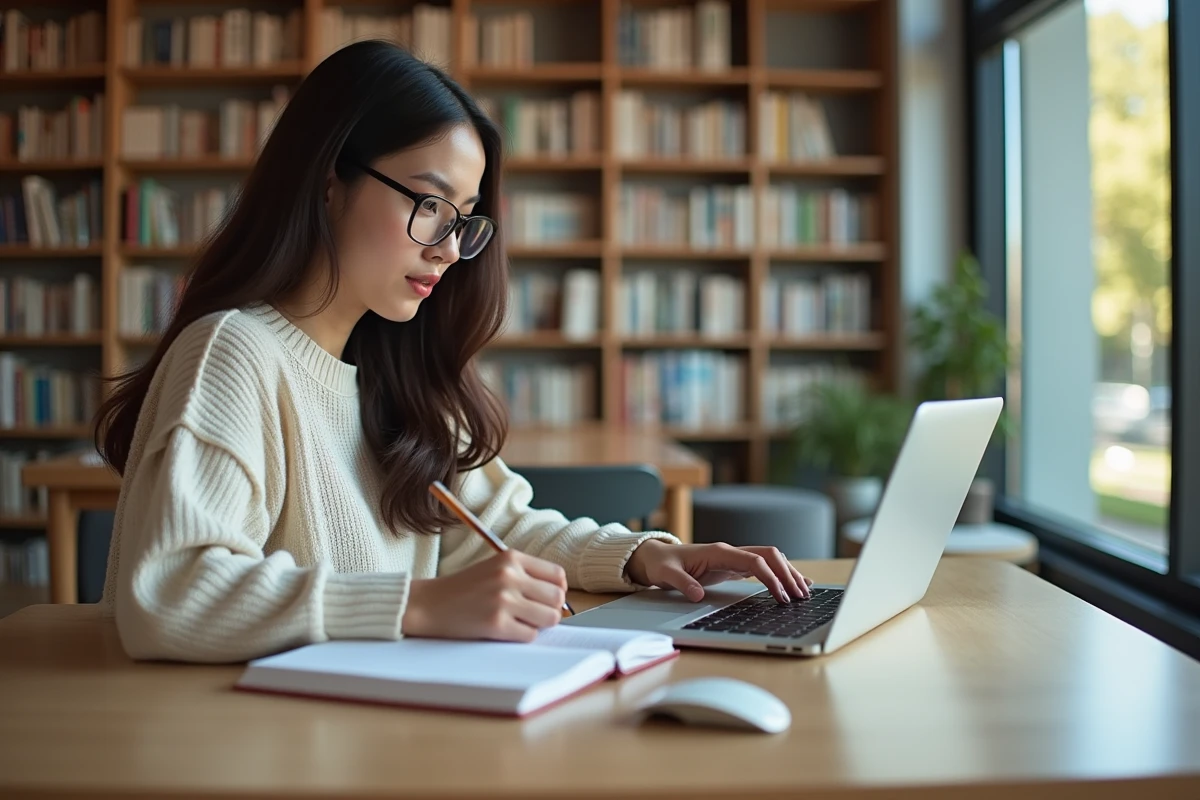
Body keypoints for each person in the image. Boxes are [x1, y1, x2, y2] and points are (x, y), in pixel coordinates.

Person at [95, 40, 812, 664]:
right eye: (428, 203)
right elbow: (171, 593)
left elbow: (497, 529)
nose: (446, 248)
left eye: (463, 219)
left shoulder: (394, 370)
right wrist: (420, 605)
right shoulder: (234, 353)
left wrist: (644, 555)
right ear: (327, 179)